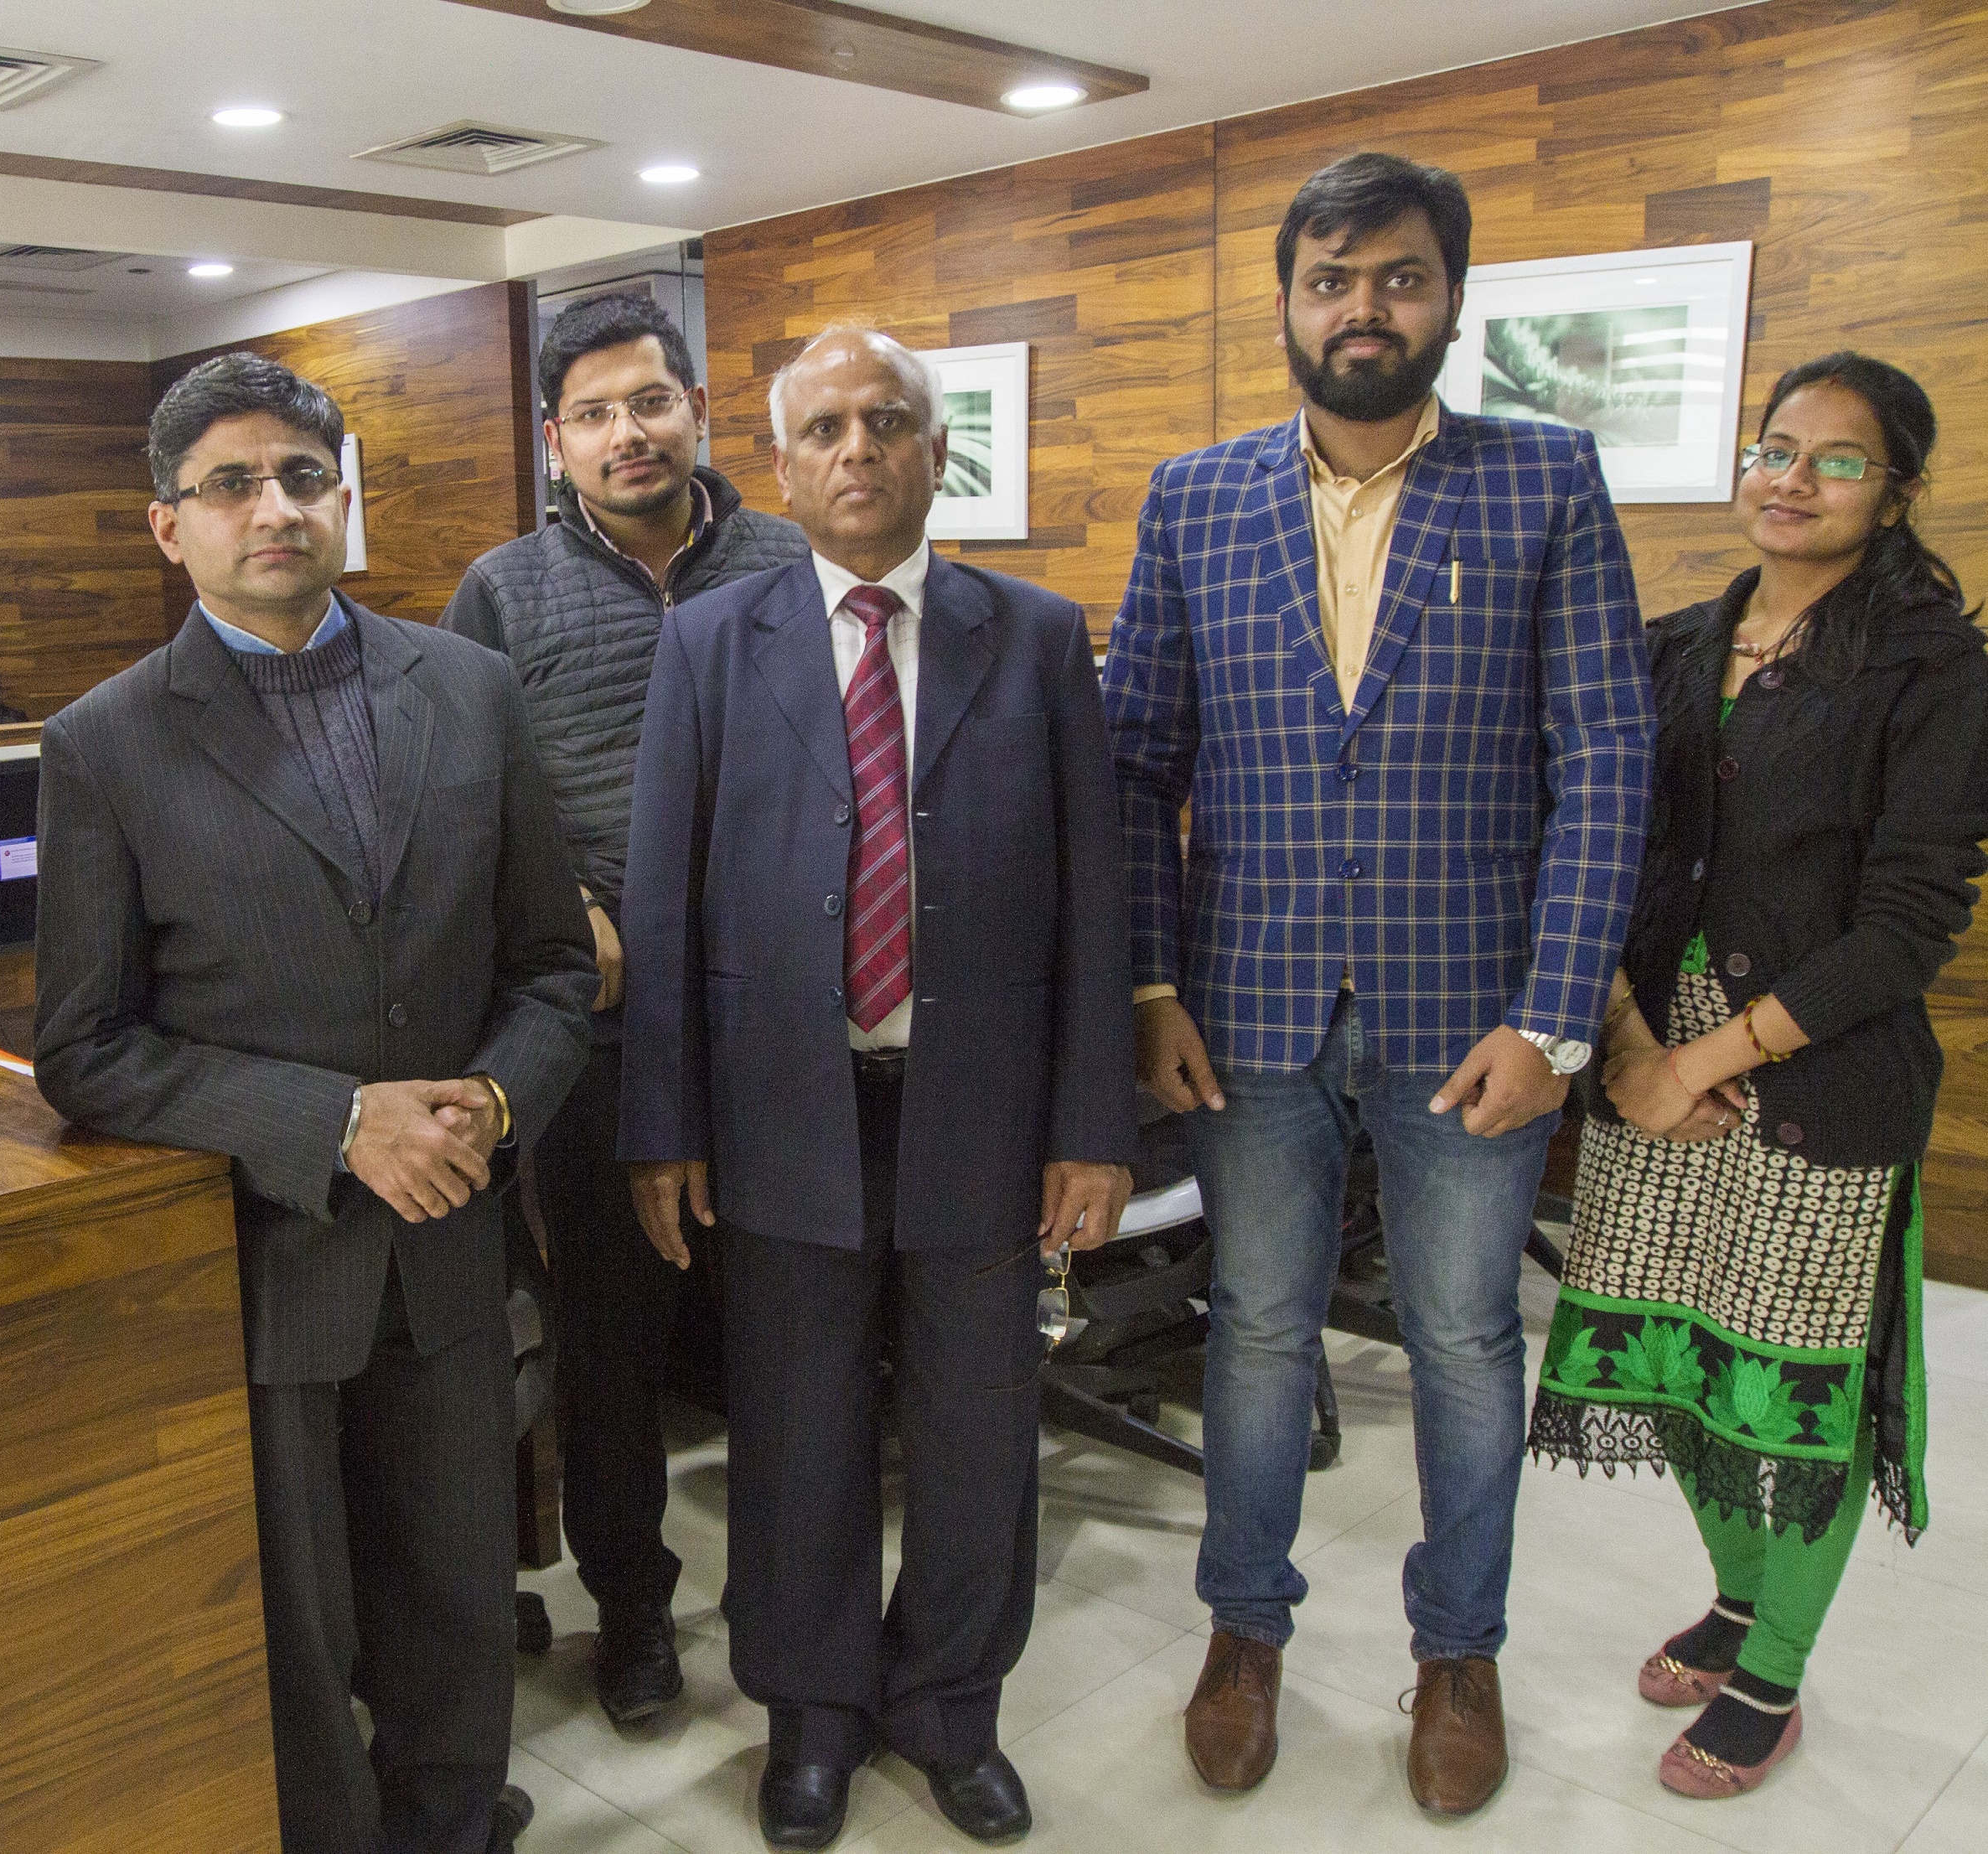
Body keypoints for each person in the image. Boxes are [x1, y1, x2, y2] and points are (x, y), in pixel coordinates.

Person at [1102, 150, 1654, 1815]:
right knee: (1257, 1328)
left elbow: (1603, 755)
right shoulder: (1193, 497)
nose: (1363, 306)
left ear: (1450, 299)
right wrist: (1148, 985)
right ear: (1285, 301)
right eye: (1330, 277)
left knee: (1467, 1341)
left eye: (1398, 276)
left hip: (1473, 1017)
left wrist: (1554, 1016)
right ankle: (1243, 1630)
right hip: (1246, 1009)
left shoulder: (1544, 479)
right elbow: (1137, 762)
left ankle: (1457, 1650)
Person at [32, 353, 597, 1854]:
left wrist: (489, 1102)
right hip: (270, 1261)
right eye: (229, 484)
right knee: (297, 1624)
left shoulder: (467, 689)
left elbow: (552, 966)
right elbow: (85, 1047)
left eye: (300, 476)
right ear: (170, 527)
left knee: (458, 1591)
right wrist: (337, 1122)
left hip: (454, 1238)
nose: (272, 507)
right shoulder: (104, 742)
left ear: (342, 498)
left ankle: (455, 1819)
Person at [619, 326, 1136, 1850]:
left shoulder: (1031, 636)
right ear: (780, 467)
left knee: (980, 1428)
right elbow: (661, 901)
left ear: (934, 451)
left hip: (980, 1105)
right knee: (796, 1428)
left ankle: (950, 1704)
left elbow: (1092, 898)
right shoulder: (710, 643)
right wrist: (661, 1127)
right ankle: (812, 1712)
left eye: (887, 421)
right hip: (784, 1107)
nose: (857, 449)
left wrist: (1090, 1125)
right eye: (825, 428)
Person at [1532, 353, 1987, 1799]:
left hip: (1809, 1079)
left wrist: (1703, 1059)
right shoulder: (1674, 644)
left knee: (1787, 1401)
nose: (1789, 478)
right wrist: (1629, 1047)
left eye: (1834, 460)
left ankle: (1772, 1668)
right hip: (1645, 1065)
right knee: (1671, 1365)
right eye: (1771, 446)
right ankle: (1734, 1598)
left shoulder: (1931, 667)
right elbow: (1594, 846)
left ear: (1893, 492)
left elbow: (1906, 921)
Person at [442, 287, 807, 1724]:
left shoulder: (787, 561)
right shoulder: (500, 592)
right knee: (611, 1343)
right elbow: (469, 802)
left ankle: (790, 1607)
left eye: (648, 401)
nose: (625, 433)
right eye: (591, 414)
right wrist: (565, 915)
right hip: (597, 1028)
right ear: (554, 441)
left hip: (778, 1015)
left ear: (696, 410)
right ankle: (635, 1611)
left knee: (791, 1330)